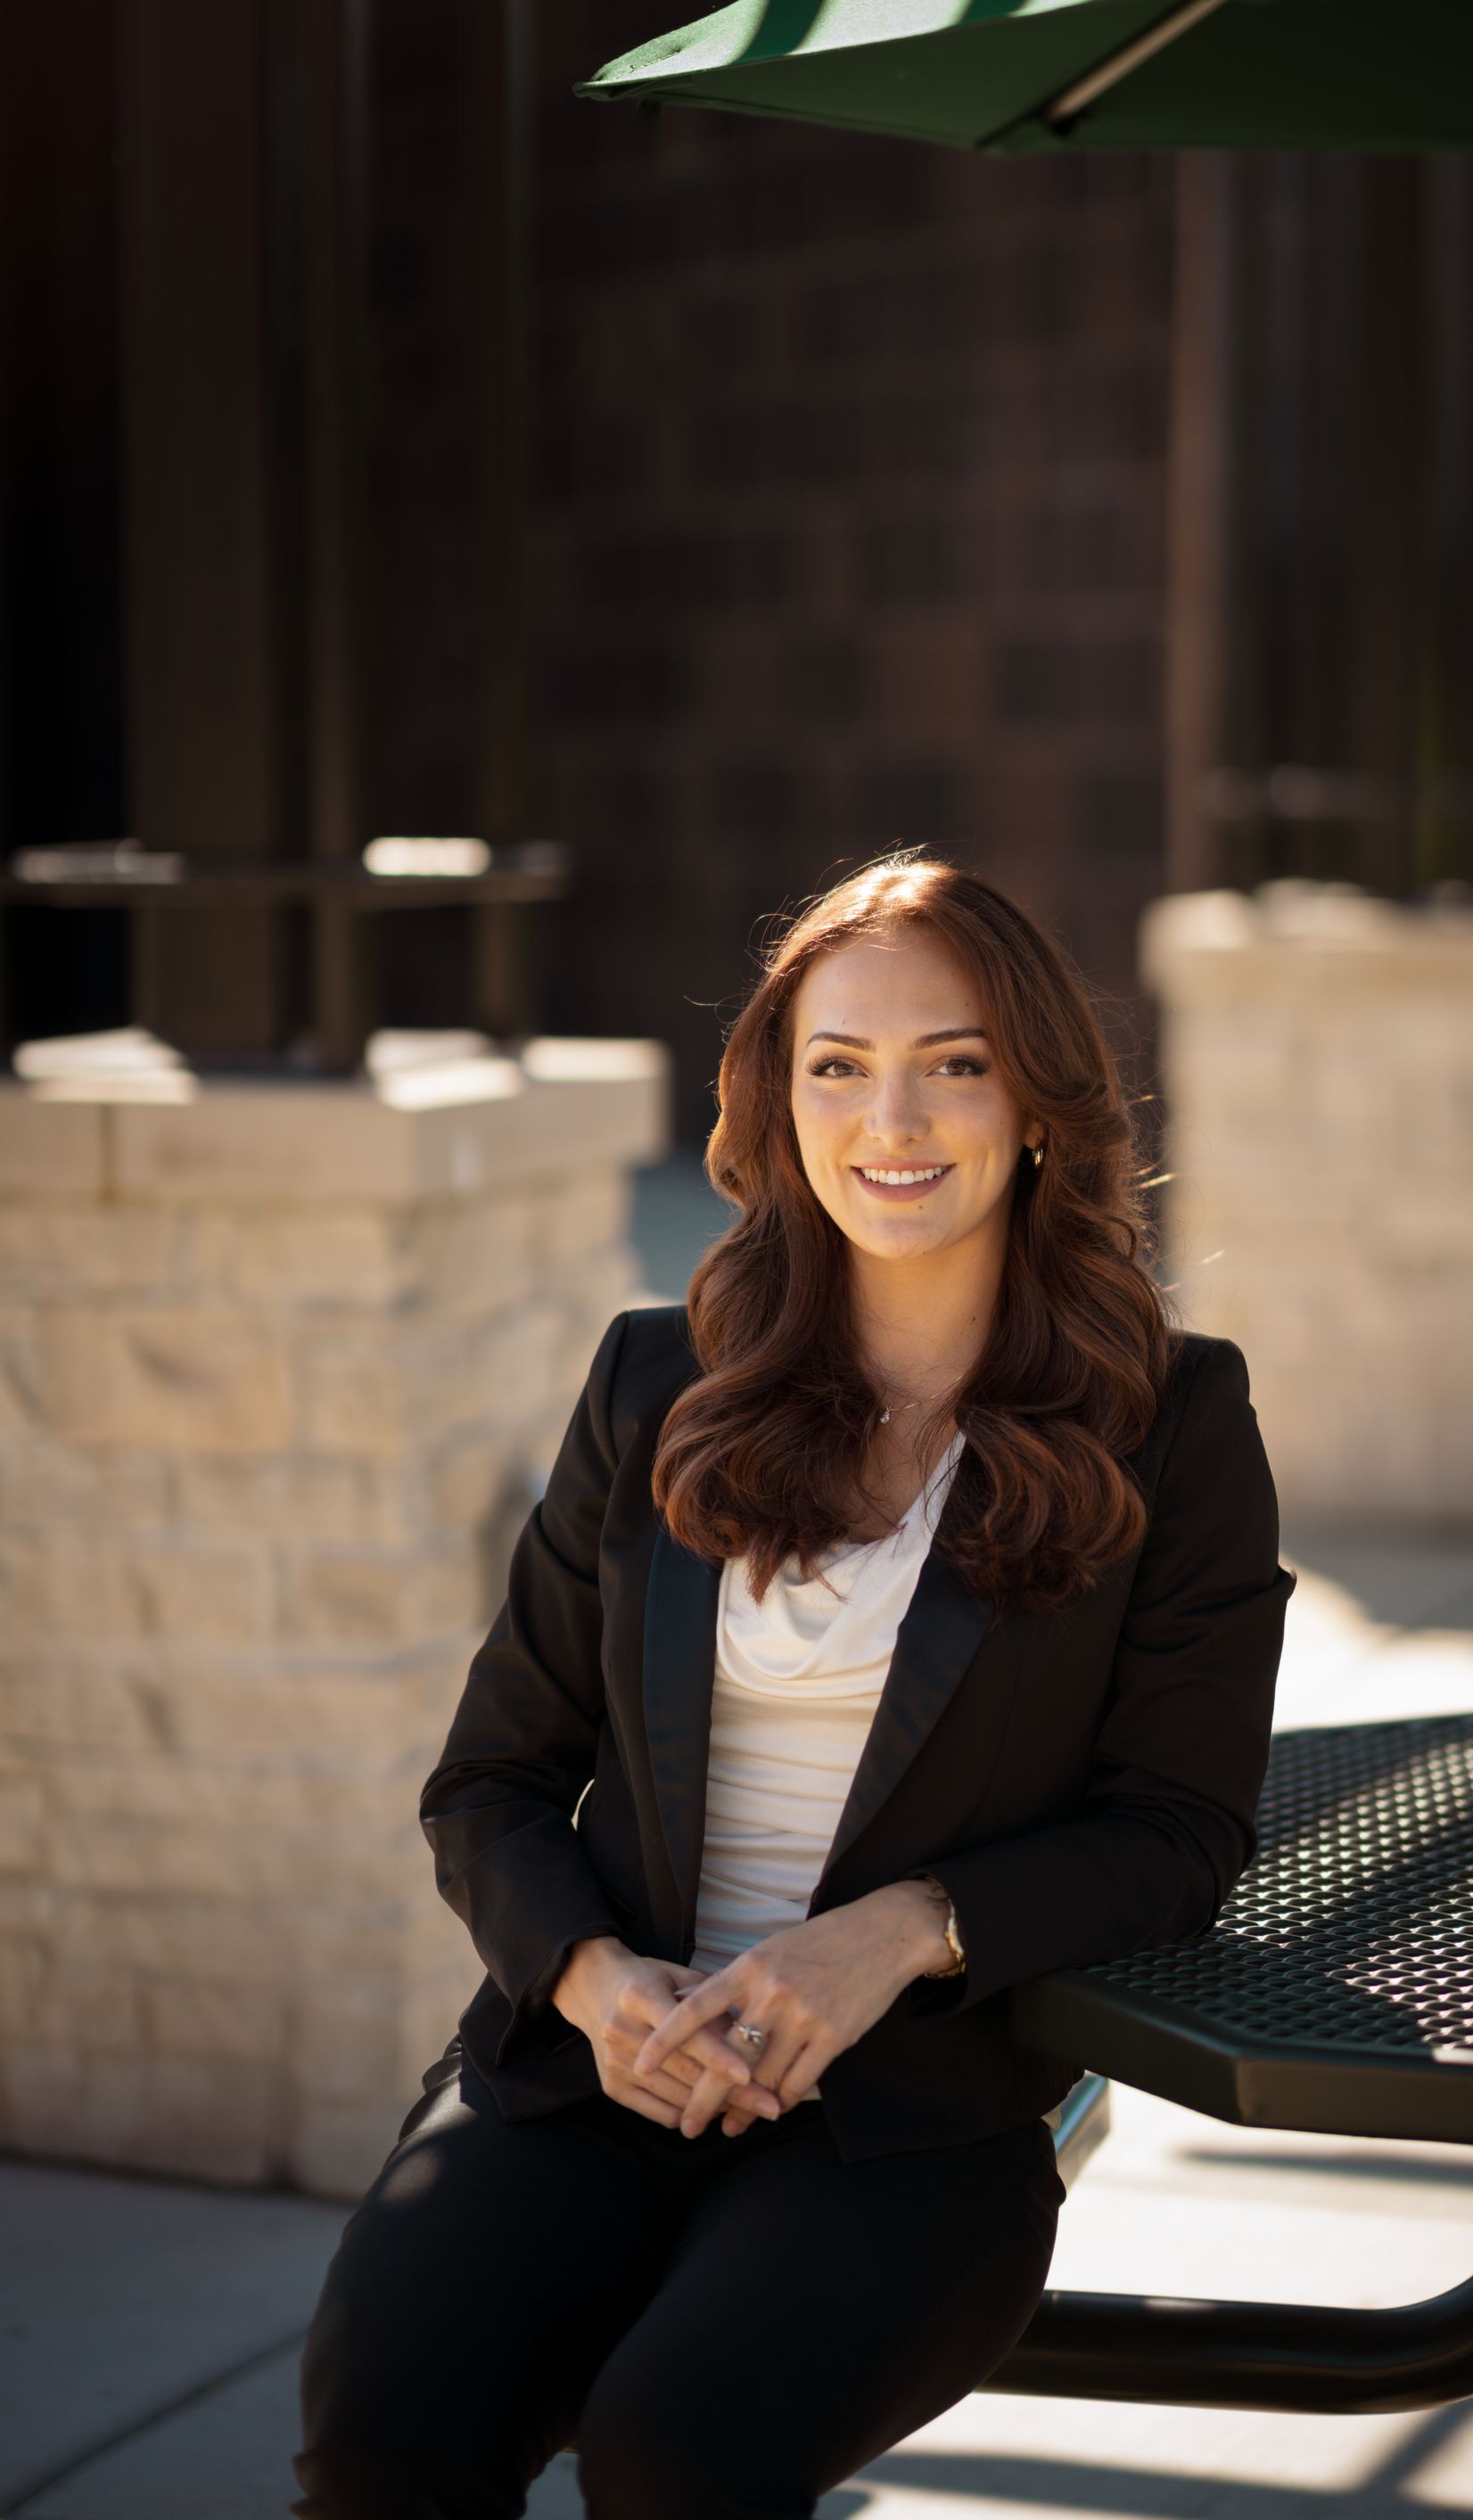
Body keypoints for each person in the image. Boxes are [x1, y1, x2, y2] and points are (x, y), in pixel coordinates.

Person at [293, 854, 1293, 2520]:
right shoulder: (657, 1380)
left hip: (911, 2119)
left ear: (1036, 1100)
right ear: (780, 1100)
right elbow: (492, 1780)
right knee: (385, 2420)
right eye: (839, 1066)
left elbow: (1180, 1833)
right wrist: (597, 1986)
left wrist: (898, 1934)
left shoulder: (1172, 1421)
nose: (889, 1118)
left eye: (951, 1062)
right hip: (595, 2068)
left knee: (680, 2450)